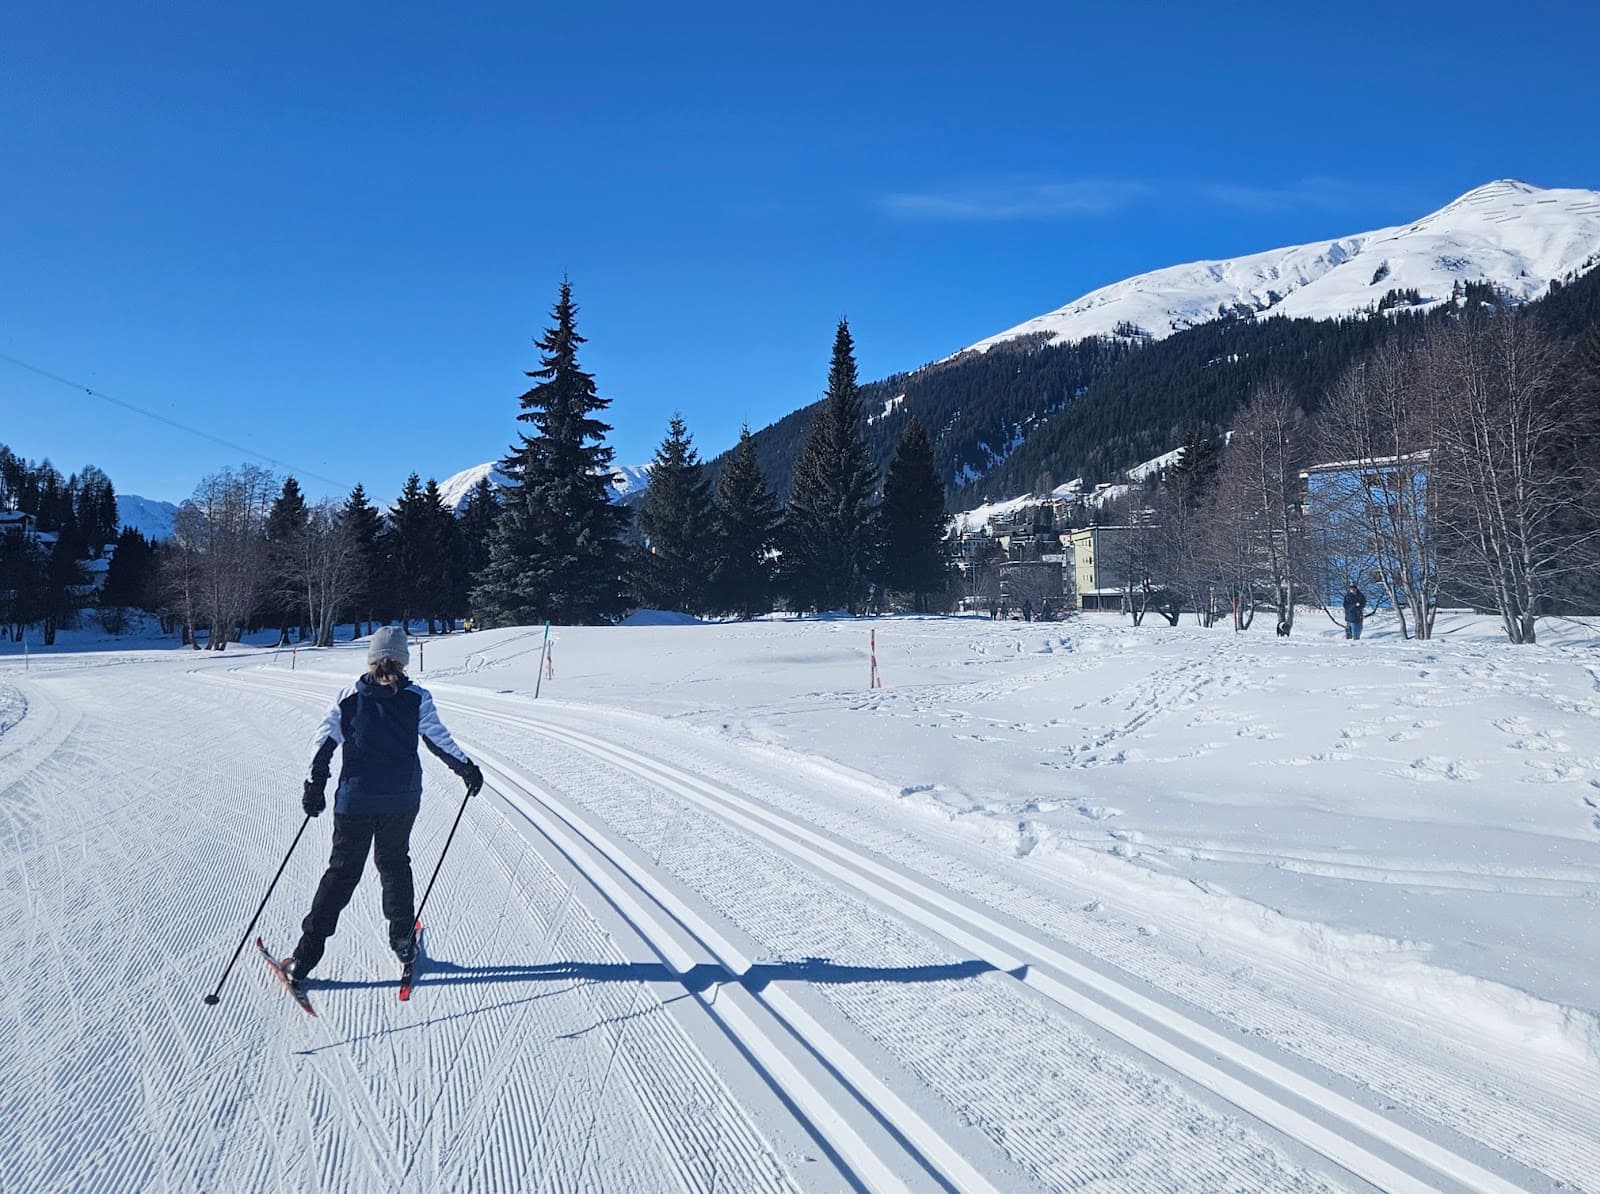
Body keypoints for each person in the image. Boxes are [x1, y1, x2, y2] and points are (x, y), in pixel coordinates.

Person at [283, 627, 483, 985]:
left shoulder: (348, 697)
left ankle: (305, 957)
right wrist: (466, 769)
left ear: (371, 657)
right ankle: (403, 942)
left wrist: (315, 786)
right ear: (403, 660)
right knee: (394, 864)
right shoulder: (416, 697)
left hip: (355, 801)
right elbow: (439, 740)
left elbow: (323, 743)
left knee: (342, 872)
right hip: (401, 799)